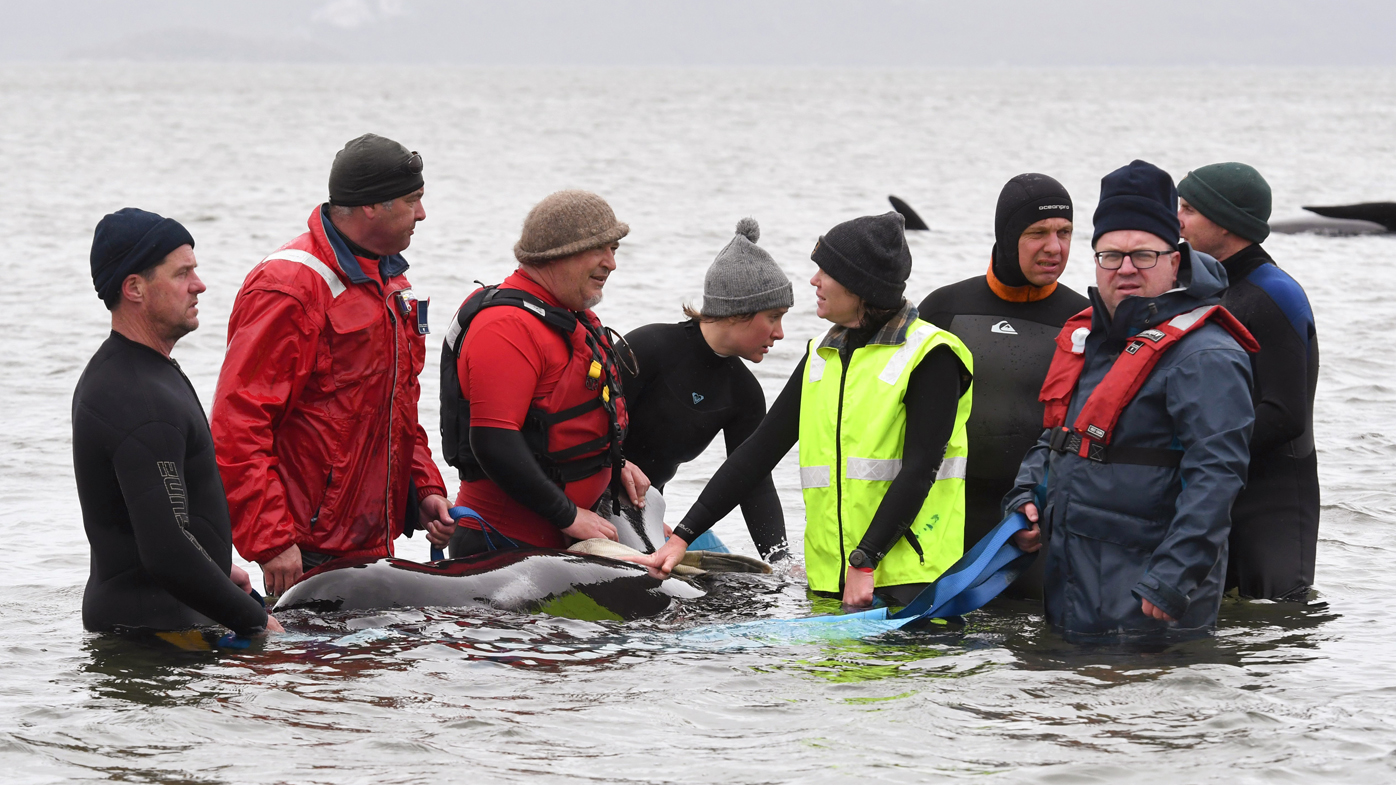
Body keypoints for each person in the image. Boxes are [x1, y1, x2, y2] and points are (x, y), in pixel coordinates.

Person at [648, 212, 974, 608]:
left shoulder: (931, 355)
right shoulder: (821, 353)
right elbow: (757, 454)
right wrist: (683, 535)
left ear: (860, 284)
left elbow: (921, 468)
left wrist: (865, 560)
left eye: (826, 271)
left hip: (909, 581)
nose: (813, 281)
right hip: (829, 580)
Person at [1008, 160, 1257, 638]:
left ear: (1175, 259)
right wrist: (1024, 496)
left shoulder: (1205, 355)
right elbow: (1059, 439)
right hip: (1073, 585)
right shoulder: (1093, 339)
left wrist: (1172, 578)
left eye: (1143, 255)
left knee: (1146, 712)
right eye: (1110, 255)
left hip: (1148, 600)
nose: (1124, 269)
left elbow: (1218, 476)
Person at [210, 134, 453, 597]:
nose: (422, 214)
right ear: (370, 207)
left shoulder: (388, 277)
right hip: (306, 548)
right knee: (306, 671)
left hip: (371, 542)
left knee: (375, 667)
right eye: (412, 200)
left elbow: (396, 407)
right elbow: (237, 423)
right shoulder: (290, 287)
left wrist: (424, 489)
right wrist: (271, 541)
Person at [75, 208, 281, 637]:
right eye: (182, 273)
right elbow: (166, 551)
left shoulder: (137, 372)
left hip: (165, 617)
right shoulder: (137, 397)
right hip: (156, 636)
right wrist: (259, 625)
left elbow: (155, 518)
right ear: (134, 288)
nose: (199, 285)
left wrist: (219, 565)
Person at [441, 190, 650, 557]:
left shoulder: (567, 314)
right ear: (559, 253)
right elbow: (493, 441)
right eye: (600, 249)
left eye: (614, 250)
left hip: (563, 541)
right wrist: (567, 515)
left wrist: (614, 465)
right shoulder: (505, 326)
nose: (611, 264)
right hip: (502, 545)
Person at [917, 173, 1088, 598]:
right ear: (1008, 236)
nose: (1055, 246)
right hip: (945, 522)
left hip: (1033, 524)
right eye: (1038, 233)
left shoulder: (1084, 320)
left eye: (1065, 232)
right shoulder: (946, 309)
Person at [1178, 162, 1320, 601]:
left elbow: (1285, 415)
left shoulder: (1275, 293)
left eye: (1188, 209)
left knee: (1272, 631)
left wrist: (1195, 453)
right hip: (1218, 488)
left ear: (1226, 220)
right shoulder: (1209, 291)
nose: (1176, 220)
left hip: (1273, 497)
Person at [620, 218, 791, 561]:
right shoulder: (648, 347)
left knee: (740, 585)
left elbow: (752, 480)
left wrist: (781, 562)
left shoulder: (744, 393)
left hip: (645, 511)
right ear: (737, 312)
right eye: (773, 317)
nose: (780, 333)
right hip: (590, 499)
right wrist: (616, 464)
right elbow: (582, 430)